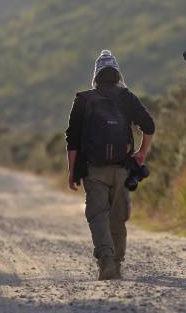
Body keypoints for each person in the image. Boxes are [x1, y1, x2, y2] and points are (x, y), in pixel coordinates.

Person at [65, 49, 155, 280]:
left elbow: (72, 139)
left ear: (95, 76)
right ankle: (117, 261)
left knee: (97, 215)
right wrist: (141, 153)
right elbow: (149, 126)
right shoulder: (127, 97)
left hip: (93, 169)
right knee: (118, 216)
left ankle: (106, 259)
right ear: (117, 74)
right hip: (122, 167)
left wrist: (72, 172)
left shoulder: (83, 99)